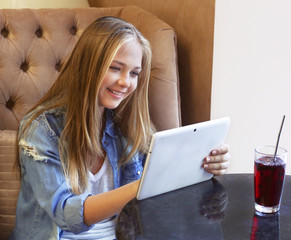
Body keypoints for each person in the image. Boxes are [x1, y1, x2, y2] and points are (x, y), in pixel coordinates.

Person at [10, 16, 230, 240]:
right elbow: (66, 213)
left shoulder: (129, 125)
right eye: (116, 68)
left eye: (134, 73)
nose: (126, 82)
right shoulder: (40, 129)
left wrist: (203, 166)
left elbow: (166, 186)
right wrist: (144, 186)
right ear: (88, 67)